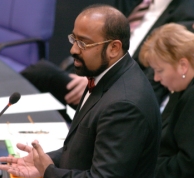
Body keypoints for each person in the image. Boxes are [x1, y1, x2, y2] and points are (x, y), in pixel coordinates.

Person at [0, 4, 161, 178]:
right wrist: (44, 160)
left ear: (114, 48)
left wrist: (49, 172)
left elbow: (103, 177)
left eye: (83, 43)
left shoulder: (124, 105)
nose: (73, 49)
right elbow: (83, 148)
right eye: (74, 39)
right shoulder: (103, 74)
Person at [21, 0, 194, 112]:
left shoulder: (185, 13)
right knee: (43, 76)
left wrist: (99, 81)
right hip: (94, 69)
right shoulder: (137, 3)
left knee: (40, 72)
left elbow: (154, 74)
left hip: (119, 88)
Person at [139, 23, 194, 178]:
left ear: (183, 65)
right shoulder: (180, 89)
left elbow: (187, 165)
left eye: (160, 70)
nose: (156, 78)